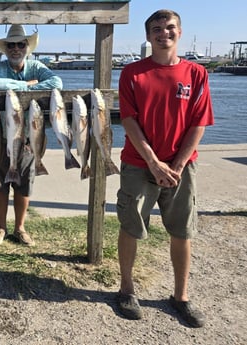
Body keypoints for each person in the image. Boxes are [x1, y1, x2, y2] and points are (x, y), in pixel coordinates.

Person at [116, 9, 213, 328]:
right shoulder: (132, 73)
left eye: (169, 28)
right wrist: (154, 162)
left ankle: (180, 296)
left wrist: (177, 164)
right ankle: (127, 289)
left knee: (182, 231)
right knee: (130, 226)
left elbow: (199, 122)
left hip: (181, 168)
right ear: (148, 36)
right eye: (156, 29)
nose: (163, 33)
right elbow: (129, 121)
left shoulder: (197, 73)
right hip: (137, 164)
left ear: (179, 32)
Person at [0, 24, 63, 246]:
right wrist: (26, 85)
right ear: (5, 48)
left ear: (27, 46)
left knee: (24, 184)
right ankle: (1, 227)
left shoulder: (37, 66)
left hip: (29, 139)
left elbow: (57, 83)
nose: (15, 48)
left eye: (20, 44)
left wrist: (18, 88)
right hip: (0, 139)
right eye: (11, 45)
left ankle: (20, 227)